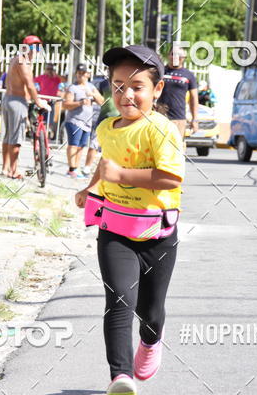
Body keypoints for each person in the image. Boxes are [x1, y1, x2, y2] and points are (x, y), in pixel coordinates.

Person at [75, 45, 185, 395]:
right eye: (119, 86)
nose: (127, 95)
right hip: (115, 229)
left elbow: (170, 178)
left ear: (157, 89)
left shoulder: (161, 130)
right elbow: (106, 163)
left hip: (157, 233)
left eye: (137, 86)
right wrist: (90, 187)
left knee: (150, 312)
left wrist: (121, 175)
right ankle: (120, 377)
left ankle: (151, 341)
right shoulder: (107, 128)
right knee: (120, 299)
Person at [0, 35, 51, 179]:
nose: (34, 50)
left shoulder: (16, 59)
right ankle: (13, 171)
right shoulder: (23, 61)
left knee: (8, 136)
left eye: (37, 47)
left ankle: (5, 169)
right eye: (31, 47)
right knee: (16, 137)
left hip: (9, 99)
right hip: (17, 102)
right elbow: (29, 84)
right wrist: (38, 101)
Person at [62, 63, 104, 178]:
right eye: (79, 73)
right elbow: (66, 105)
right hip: (74, 121)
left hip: (87, 123)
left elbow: (102, 101)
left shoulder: (91, 87)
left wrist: (93, 95)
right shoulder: (73, 88)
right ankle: (71, 169)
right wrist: (80, 103)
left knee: (81, 146)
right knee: (73, 145)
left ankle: (76, 168)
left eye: (83, 73)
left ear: (88, 75)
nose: (81, 76)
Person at [81, 78, 121, 176]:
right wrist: (93, 95)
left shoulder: (124, 81)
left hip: (120, 118)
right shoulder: (103, 83)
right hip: (104, 117)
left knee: (115, 147)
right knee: (94, 144)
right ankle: (87, 168)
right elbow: (99, 100)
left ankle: (110, 171)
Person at [157, 46, 199, 139]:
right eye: (173, 54)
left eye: (179, 55)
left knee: (177, 145)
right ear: (168, 55)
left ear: (183, 58)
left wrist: (195, 120)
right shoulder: (160, 72)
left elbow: (194, 99)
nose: (176, 57)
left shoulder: (189, 75)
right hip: (160, 117)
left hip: (178, 119)